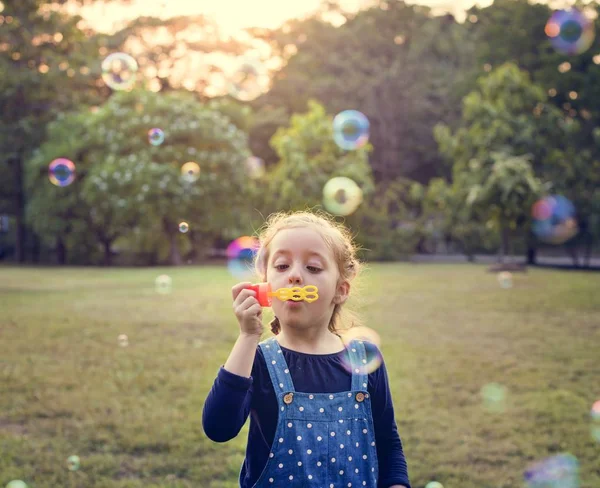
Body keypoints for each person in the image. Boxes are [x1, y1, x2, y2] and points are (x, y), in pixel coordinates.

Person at [202, 210, 411, 488]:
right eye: (281, 266)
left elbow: (387, 442)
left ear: (341, 290)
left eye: (312, 268)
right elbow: (218, 428)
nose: (295, 277)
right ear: (265, 287)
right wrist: (248, 336)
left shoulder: (362, 357)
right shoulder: (258, 360)